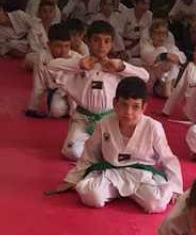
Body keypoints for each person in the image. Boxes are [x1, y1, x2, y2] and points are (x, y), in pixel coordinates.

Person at [50, 77, 182, 213]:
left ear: (144, 107)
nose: (128, 112)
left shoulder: (153, 127)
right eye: (124, 104)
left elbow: (168, 158)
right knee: (92, 196)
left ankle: (134, 192)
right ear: (115, 103)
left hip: (142, 176)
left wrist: (176, 189)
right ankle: (113, 191)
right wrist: (72, 179)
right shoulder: (104, 124)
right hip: (112, 173)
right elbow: (89, 155)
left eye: (135, 106)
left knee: (156, 204)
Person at [47, 20, 148, 161]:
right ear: (87, 41)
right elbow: (51, 66)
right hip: (83, 119)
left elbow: (145, 76)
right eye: (96, 40)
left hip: (110, 119)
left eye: (107, 41)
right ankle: (98, 150)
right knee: (72, 151)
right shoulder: (79, 64)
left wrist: (122, 67)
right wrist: (79, 64)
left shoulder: (117, 67)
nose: (101, 46)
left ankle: (100, 149)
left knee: (126, 153)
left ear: (112, 44)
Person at [25, 23, 77, 118]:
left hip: (76, 93)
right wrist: (32, 108)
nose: (63, 50)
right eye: (58, 46)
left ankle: (75, 111)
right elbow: (38, 85)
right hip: (58, 92)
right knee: (56, 111)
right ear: (49, 44)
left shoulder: (76, 58)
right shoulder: (42, 58)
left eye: (67, 46)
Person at [139, 18, 185, 98]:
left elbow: (182, 58)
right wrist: (165, 55)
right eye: (157, 33)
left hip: (168, 81)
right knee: (164, 56)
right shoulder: (147, 47)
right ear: (152, 35)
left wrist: (172, 58)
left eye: (163, 33)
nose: (160, 36)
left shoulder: (170, 47)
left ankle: (169, 86)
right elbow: (148, 57)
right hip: (152, 81)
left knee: (173, 62)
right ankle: (167, 88)